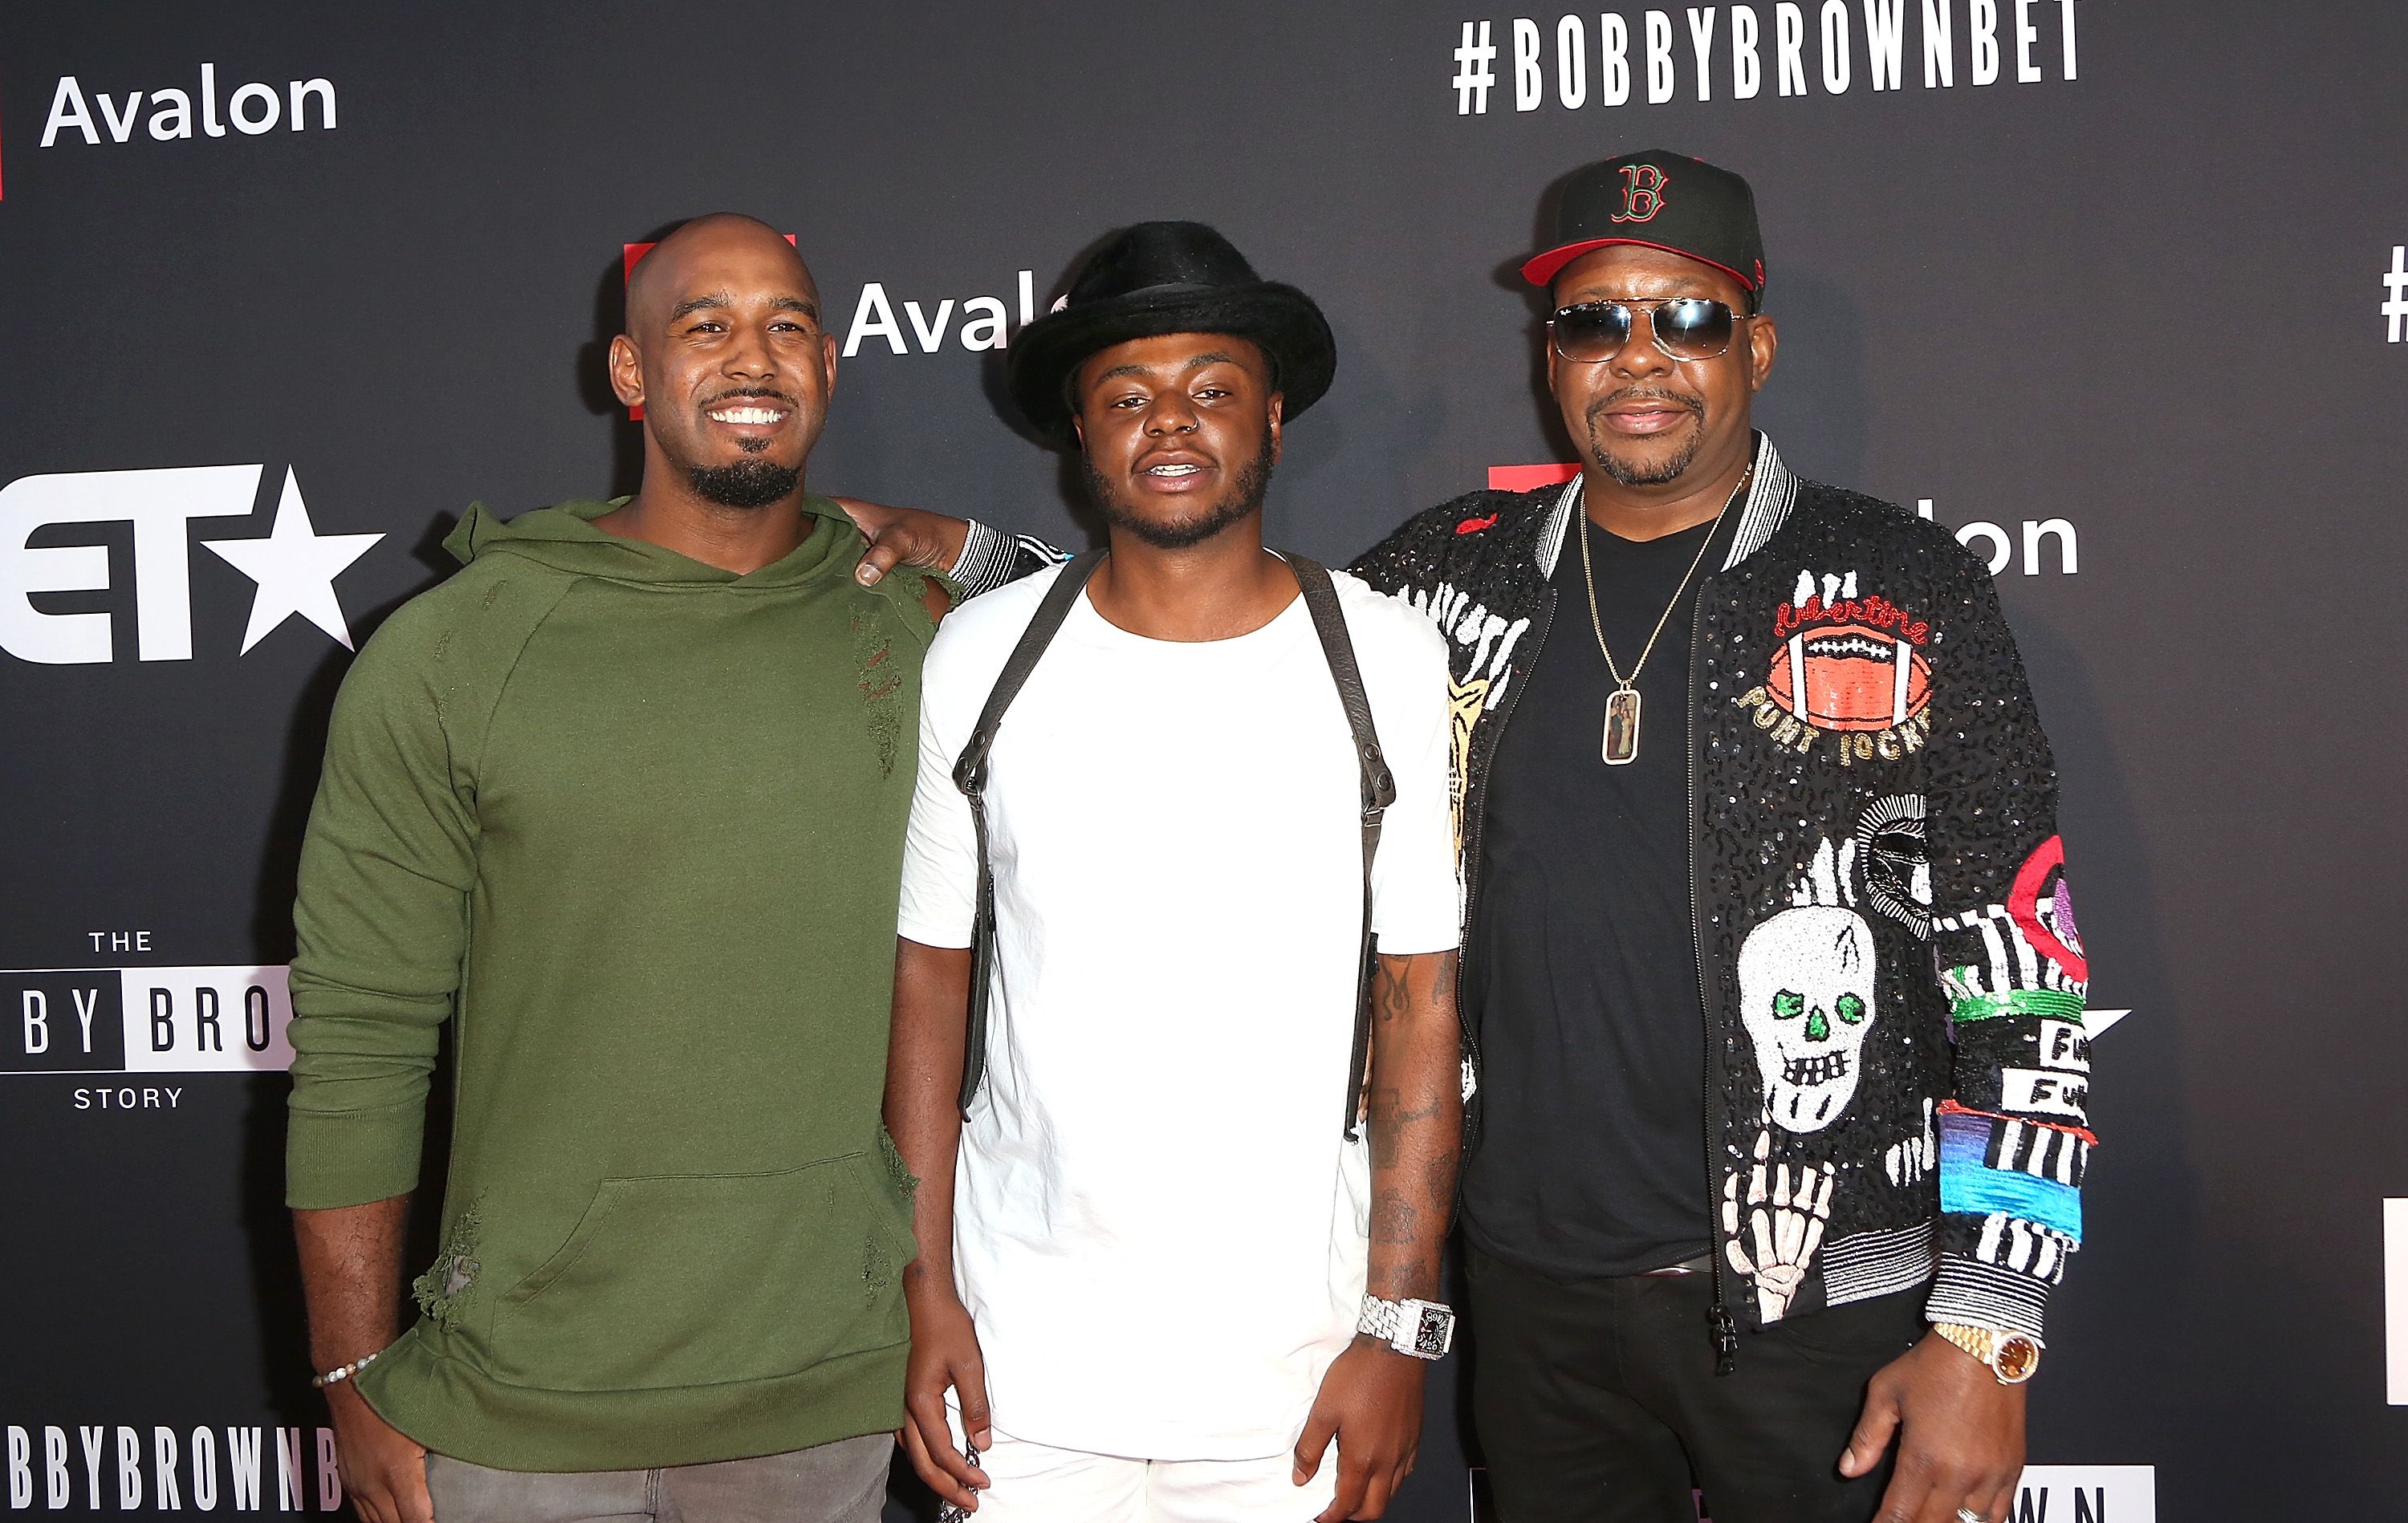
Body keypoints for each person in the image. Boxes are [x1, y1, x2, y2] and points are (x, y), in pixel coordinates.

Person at [880, 152, 2093, 1523]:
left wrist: (1993, 1322)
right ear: (1550, 354)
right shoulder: (1455, 574)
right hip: (1536, 1304)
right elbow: (1203, 614)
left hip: (1831, 1302)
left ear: (1755, 345)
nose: (1639, 356)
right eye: (1595, 320)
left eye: (1687, 317)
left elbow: (2028, 983)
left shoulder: (1909, 591)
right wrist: (976, 560)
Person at [285, 213, 951, 1523]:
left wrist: (962, 541)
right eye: (707, 325)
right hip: (518, 1403)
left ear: (828, 367)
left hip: (820, 1394)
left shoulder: (920, 627)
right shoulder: (457, 649)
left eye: (787, 325)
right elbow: (361, 1031)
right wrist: (354, 1372)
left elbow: (1141, 610)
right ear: (631, 373)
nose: (752, 357)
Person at [882, 221, 1466, 1523]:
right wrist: (923, 1288)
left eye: (1211, 387)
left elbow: (1420, 1000)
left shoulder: (1384, 658)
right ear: (1080, 433)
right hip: (1019, 1372)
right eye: (1127, 395)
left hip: (1294, 1381)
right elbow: (929, 983)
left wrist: (1398, 1324)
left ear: (1273, 416)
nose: (1171, 423)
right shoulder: (980, 657)